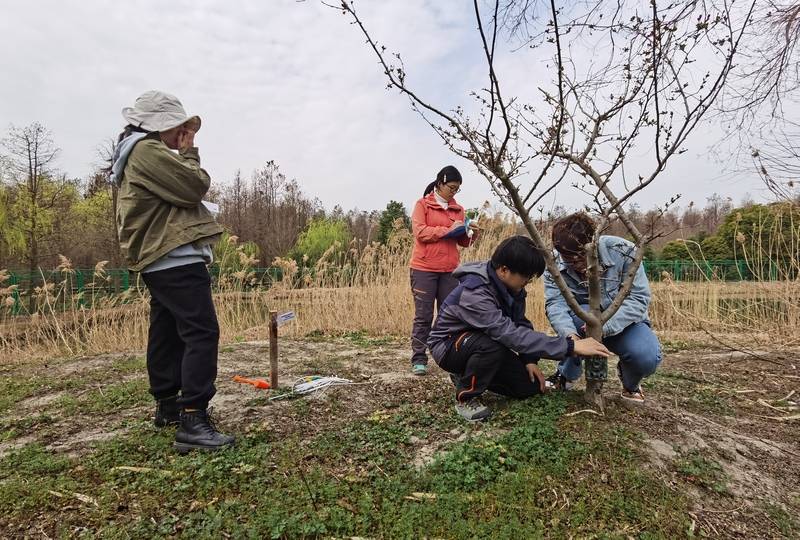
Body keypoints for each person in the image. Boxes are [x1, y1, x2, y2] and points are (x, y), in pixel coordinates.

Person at [111, 90, 234, 453]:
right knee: (201, 330)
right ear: (158, 125)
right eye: (176, 127)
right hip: (174, 255)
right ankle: (194, 418)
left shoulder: (136, 152)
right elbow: (194, 185)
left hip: (158, 255)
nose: (180, 134)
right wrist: (190, 152)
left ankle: (168, 406)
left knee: (166, 329)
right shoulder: (148, 151)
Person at [428, 235, 610, 421]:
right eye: (526, 276)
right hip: (449, 346)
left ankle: (466, 374)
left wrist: (529, 360)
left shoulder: (513, 288)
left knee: (528, 388)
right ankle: (466, 397)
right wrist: (570, 347)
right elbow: (509, 334)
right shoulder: (475, 292)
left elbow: (520, 323)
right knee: (490, 346)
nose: (527, 282)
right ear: (504, 270)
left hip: (486, 343)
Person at [543, 212, 662, 405]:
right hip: (580, 321)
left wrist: (603, 327)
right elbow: (555, 304)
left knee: (646, 356)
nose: (575, 265)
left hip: (624, 321)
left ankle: (631, 384)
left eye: (580, 258)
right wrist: (571, 337)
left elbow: (638, 299)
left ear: (594, 242)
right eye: (568, 259)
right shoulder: (554, 263)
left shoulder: (624, 251)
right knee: (568, 329)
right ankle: (566, 375)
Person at [409, 165, 479, 376]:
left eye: (457, 189)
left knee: (448, 315)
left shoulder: (459, 210)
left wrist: (471, 233)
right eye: (451, 187)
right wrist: (447, 230)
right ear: (440, 183)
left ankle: (446, 355)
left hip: (449, 269)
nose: (454, 192)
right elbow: (420, 232)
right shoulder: (423, 205)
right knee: (424, 315)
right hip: (424, 268)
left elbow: (463, 242)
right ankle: (419, 358)